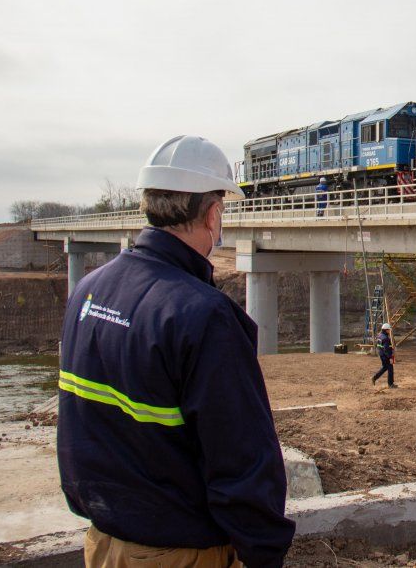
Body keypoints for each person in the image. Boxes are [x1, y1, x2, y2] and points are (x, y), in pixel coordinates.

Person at [57, 135, 295, 567]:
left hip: (104, 543)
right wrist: (265, 553)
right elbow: (242, 462)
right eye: (222, 209)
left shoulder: (89, 291)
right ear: (210, 214)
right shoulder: (204, 316)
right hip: (180, 553)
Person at [372, 323, 396, 388]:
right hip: (386, 356)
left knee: (385, 367)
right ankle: (390, 384)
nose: (389, 331)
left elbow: (380, 346)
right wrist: (390, 358)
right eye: (389, 330)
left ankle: (374, 377)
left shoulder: (379, 336)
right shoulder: (386, 338)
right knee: (390, 369)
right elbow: (386, 349)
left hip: (381, 354)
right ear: (386, 330)